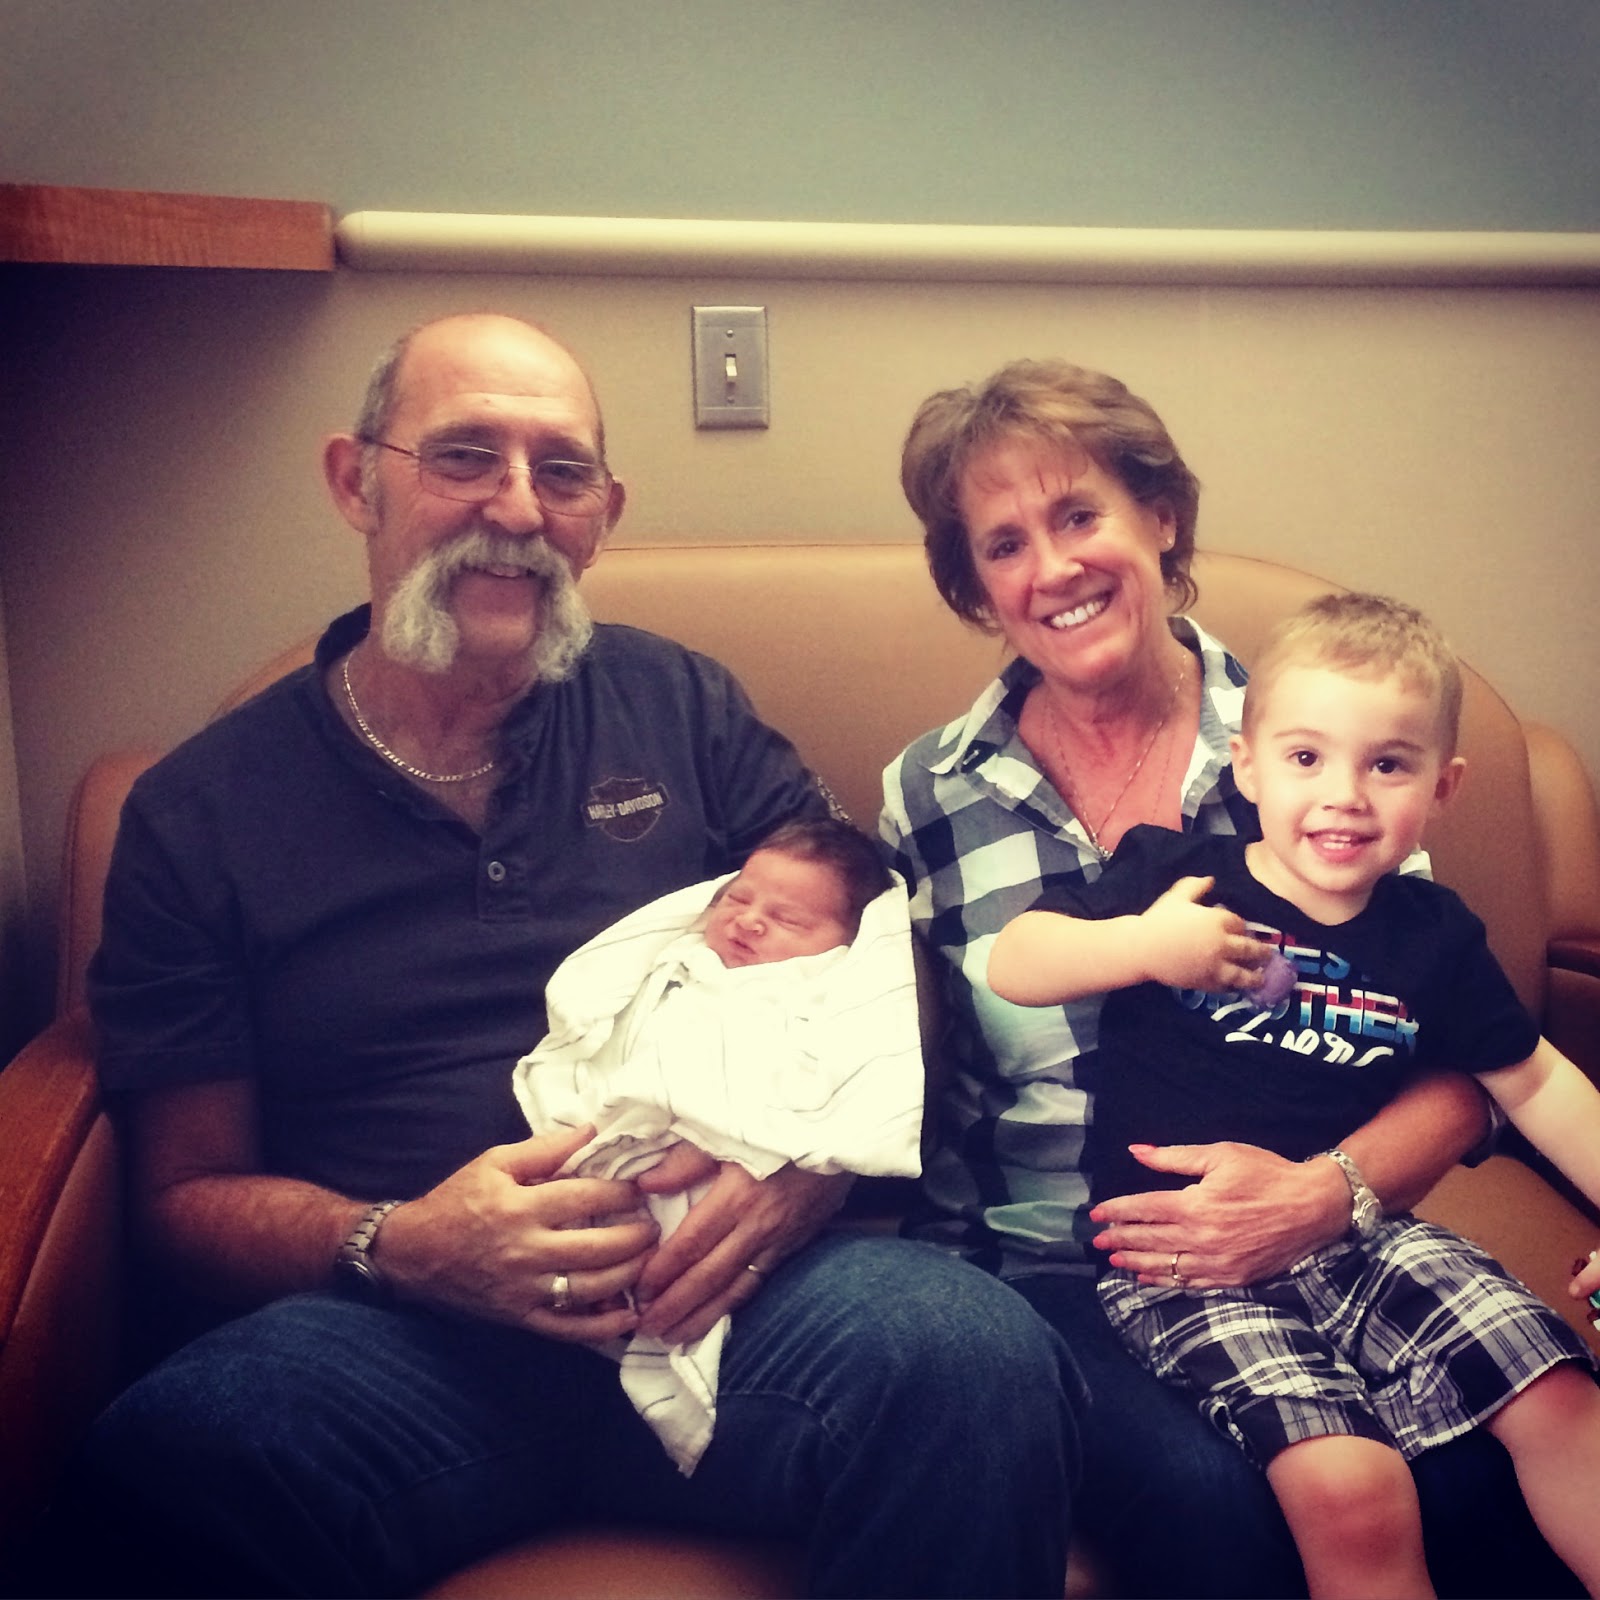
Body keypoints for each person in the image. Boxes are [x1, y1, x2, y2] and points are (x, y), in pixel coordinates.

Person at [31, 315, 1081, 1599]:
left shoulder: (681, 706)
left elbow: (877, 948)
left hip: (724, 1304)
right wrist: (402, 1242)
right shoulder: (202, 813)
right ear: (356, 480)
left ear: (604, 513)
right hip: (404, 1340)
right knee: (172, 1456)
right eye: (464, 454)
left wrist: (803, 1171)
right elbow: (182, 1200)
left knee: (972, 1356)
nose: (518, 508)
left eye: (562, 470)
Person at [881, 356, 1583, 1597]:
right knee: (1228, 1505)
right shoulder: (927, 793)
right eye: (1003, 544)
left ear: (1159, 517)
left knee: (1488, 1461)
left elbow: (1462, 1058)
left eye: (1080, 514)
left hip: (1330, 1226)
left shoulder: (1322, 737)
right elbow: (960, 1002)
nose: (1051, 567)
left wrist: (1325, 1193)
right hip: (1057, 1262)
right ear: (976, 585)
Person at [988, 592, 1600, 1598]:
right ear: (1247, 765)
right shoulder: (1178, 877)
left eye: (1387, 764)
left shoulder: (1435, 934)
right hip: (1183, 1265)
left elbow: (1536, 1083)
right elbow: (1015, 960)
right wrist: (1141, 945)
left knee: (1562, 1398)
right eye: (1307, 757)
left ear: (1442, 787)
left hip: (1365, 1236)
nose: (1344, 796)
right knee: (1352, 1488)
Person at [514, 818, 924, 1475]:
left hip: (736, 1197)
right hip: (597, 1161)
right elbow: (596, 1040)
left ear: (847, 946)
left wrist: (759, 1132)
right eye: (737, 897)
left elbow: (850, 1079)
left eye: (786, 919)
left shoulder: (824, 990)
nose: (749, 920)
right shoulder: (674, 964)